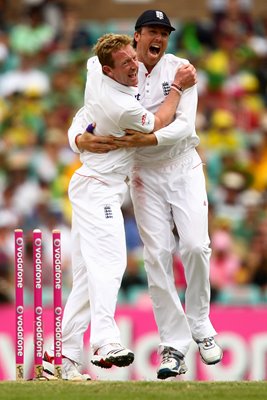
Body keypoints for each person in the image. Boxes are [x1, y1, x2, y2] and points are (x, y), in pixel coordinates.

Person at [69, 10, 223, 380]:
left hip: (182, 165)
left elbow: (184, 127)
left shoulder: (181, 69)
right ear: (136, 36)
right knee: (157, 255)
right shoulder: (120, 66)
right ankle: (174, 345)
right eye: (152, 31)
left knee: (195, 247)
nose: (159, 39)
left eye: (164, 34)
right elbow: (88, 110)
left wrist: (152, 137)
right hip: (142, 173)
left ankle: (200, 322)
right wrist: (77, 137)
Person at [43, 31, 195, 380]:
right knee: (110, 262)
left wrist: (77, 137)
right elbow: (157, 123)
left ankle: (63, 358)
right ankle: (105, 342)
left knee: (85, 277)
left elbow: (84, 107)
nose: (133, 65)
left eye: (132, 58)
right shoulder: (121, 105)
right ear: (108, 71)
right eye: (125, 63)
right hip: (100, 190)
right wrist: (177, 88)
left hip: (92, 185)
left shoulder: (94, 67)